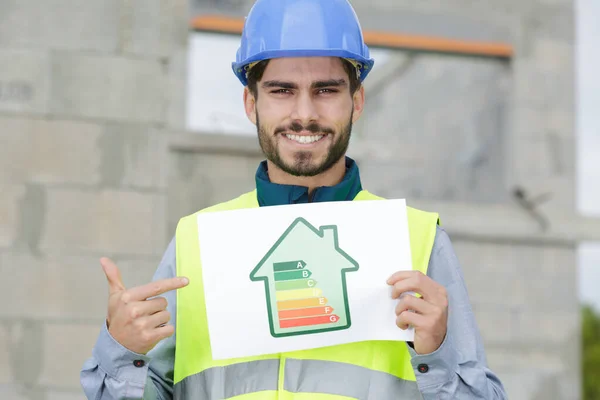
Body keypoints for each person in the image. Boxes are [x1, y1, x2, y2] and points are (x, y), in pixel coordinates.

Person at [80, 0, 507, 398]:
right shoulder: (199, 242)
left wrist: (437, 357)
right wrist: (122, 352)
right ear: (252, 103)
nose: (304, 113)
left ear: (356, 101)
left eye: (326, 90)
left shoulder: (417, 241)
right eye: (282, 90)